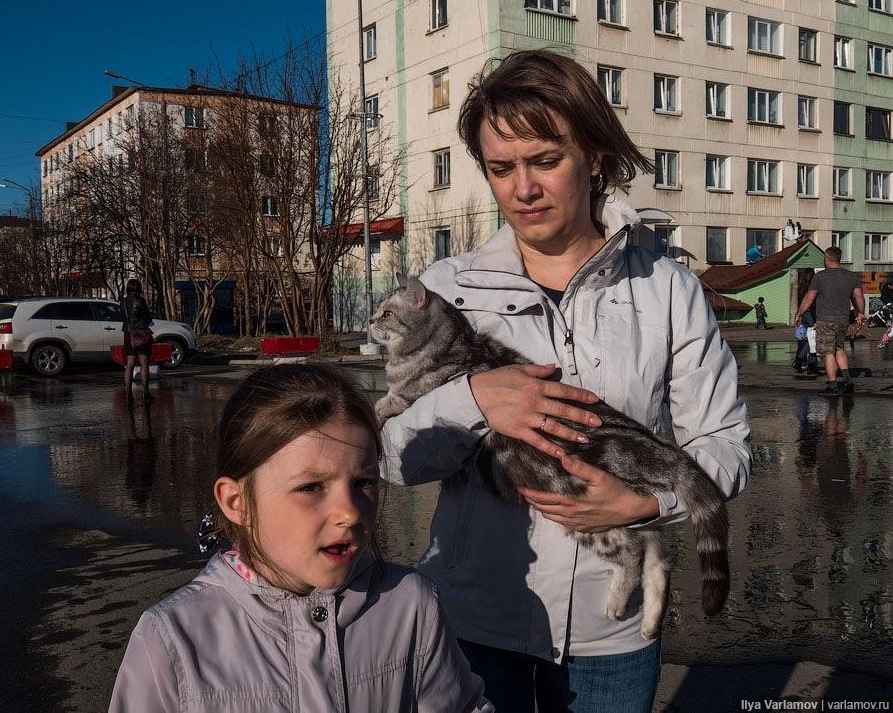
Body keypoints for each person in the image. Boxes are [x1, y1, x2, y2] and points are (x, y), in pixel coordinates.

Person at [379, 49, 751, 711]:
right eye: (501, 168)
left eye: (545, 160)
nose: (522, 189)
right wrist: (473, 400)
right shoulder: (447, 291)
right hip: (476, 623)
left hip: (612, 632)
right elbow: (393, 457)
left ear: (595, 157)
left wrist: (644, 504)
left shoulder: (665, 286)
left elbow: (724, 442)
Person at [109, 365, 491, 712]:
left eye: (363, 483)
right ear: (236, 501)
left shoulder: (411, 607)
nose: (350, 512)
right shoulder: (174, 639)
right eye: (311, 487)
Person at [793, 247, 866, 395]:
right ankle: (847, 380)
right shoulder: (851, 276)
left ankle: (833, 386)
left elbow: (810, 297)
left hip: (825, 320)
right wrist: (861, 313)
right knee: (839, 348)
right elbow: (859, 296)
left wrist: (799, 313)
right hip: (843, 319)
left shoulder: (820, 277)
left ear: (827, 259)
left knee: (827, 352)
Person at [120, 278, 153, 407]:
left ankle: (128, 393)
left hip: (128, 334)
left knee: (130, 364)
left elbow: (122, 317)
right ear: (139, 288)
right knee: (144, 363)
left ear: (128, 288)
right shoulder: (141, 301)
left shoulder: (122, 301)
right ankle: (145, 392)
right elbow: (147, 318)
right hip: (141, 334)